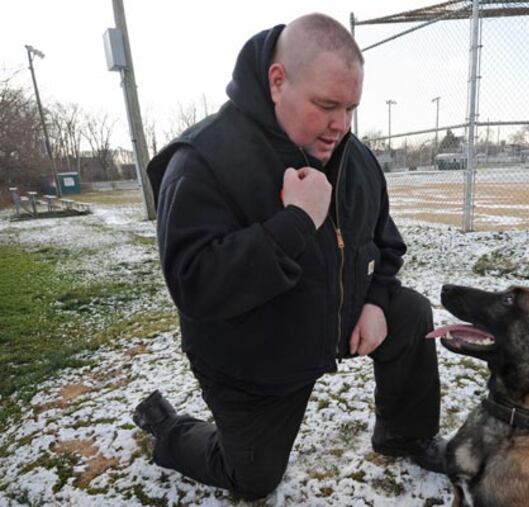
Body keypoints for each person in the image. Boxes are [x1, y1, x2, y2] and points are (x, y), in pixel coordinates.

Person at [133, 13, 445, 500]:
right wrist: (297, 222)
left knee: (409, 312)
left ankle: (405, 434)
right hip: (256, 358)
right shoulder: (202, 160)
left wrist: (377, 301)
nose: (340, 125)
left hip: (333, 321)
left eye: (350, 108)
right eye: (326, 105)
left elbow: (386, 243)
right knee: (252, 480)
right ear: (278, 81)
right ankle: (169, 429)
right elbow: (194, 284)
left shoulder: (355, 159)